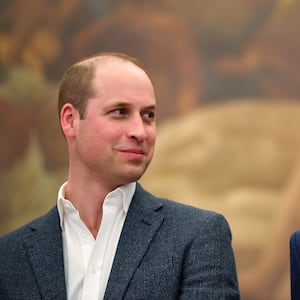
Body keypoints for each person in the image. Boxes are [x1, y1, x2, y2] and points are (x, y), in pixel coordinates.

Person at [0, 52, 240, 299]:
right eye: (120, 112)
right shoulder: (9, 256)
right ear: (70, 120)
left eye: (148, 116)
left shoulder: (197, 237)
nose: (140, 131)